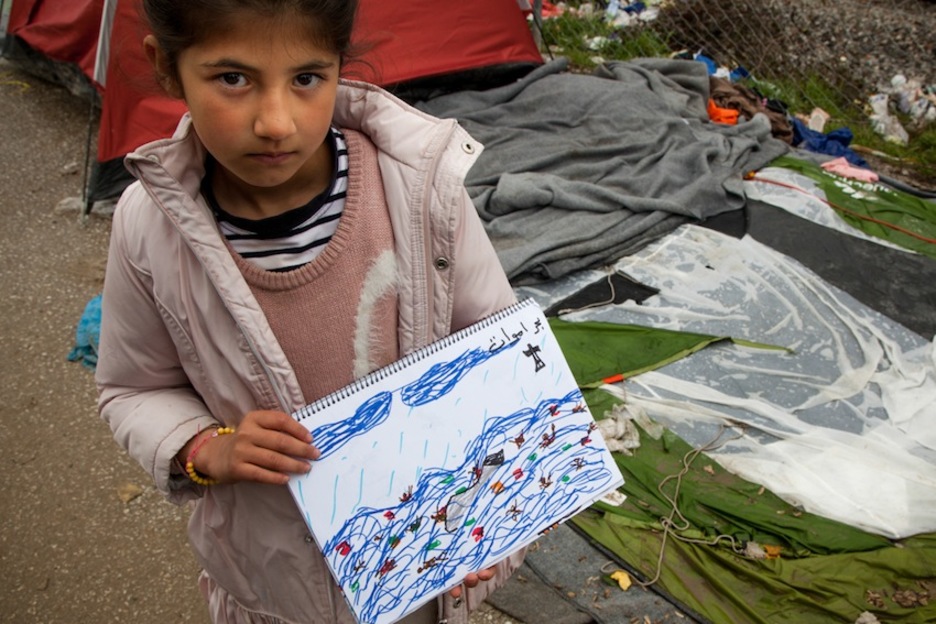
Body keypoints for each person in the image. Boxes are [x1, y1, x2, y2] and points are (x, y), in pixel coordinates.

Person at [95, 1, 522, 622]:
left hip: (422, 574)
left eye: (306, 78)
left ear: (340, 64)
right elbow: (132, 387)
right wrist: (203, 448)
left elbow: (500, 362)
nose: (276, 122)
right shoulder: (149, 225)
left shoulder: (419, 192)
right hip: (271, 586)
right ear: (167, 66)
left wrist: (488, 513)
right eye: (232, 79)